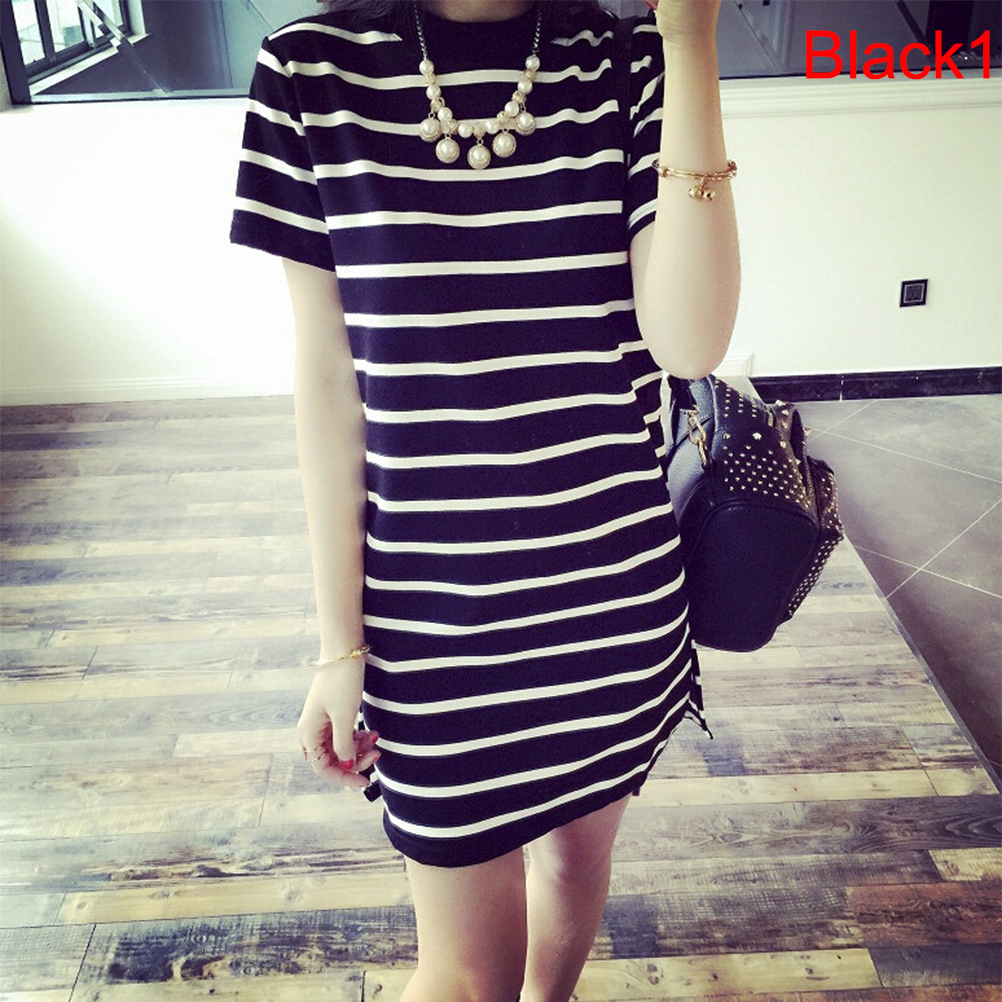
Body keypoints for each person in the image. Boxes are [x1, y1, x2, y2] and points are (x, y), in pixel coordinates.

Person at [230, 0, 738, 998]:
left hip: (610, 603)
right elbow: (328, 382)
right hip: (434, 625)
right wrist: (340, 645)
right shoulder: (310, 71)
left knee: (576, 864)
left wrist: (692, 39)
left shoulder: (631, 60)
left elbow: (689, 343)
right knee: (466, 975)